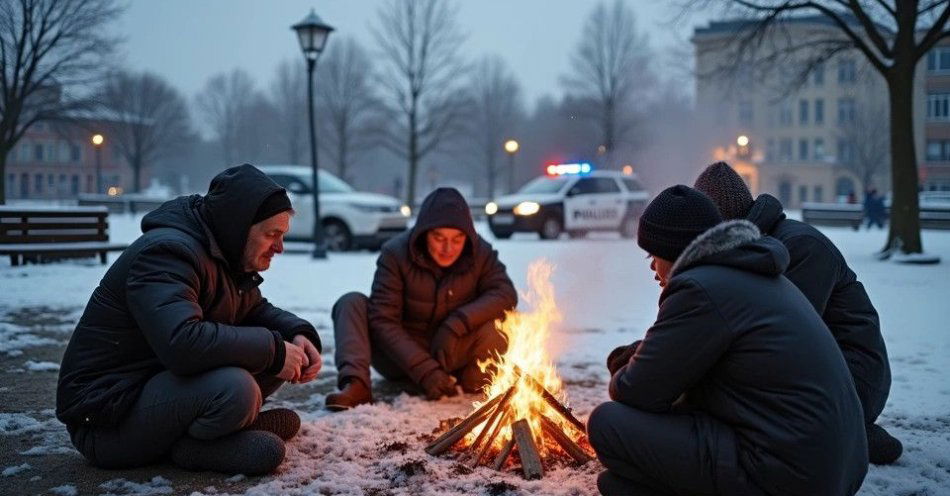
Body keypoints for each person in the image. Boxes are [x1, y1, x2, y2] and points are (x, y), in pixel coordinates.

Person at [589, 185, 868, 496]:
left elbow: (635, 391)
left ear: (673, 251)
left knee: (607, 423)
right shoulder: (754, 273)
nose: (653, 268)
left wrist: (628, 365)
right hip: (835, 471)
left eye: (653, 255)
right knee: (616, 485)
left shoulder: (699, 288)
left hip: (787, 474)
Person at [57, 164, 322, 476]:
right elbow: (181, 342)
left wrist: (297, 333)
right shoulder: (166, 253)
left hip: (154, 388)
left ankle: (211, 430)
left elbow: (254, 311)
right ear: (238, 226)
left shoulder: (225, 252)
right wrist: (274, 351)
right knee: (238, 387)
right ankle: (192, 447)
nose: (279, 248)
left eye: (282, 235)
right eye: (271, 235)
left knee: (280, 350)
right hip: (106, 418)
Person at [694, 162, 900, 464]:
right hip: (822, 373)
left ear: (724, 224)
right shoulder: (751, 249)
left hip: (854, 379)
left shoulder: (800, 246)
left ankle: (845, 433)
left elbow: (780, 339)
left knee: (731, 386)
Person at [326, 187, 516, 410]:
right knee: (351, 303)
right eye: (439, 238)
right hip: (398, 358)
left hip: (453, 354)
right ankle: (356, 385)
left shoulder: (479, 252)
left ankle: (471, 382)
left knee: (502, 322)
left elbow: (504, 293)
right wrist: (425, 370)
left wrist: (457, 323)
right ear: (423, 233)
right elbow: (383, 319)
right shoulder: (395, 254)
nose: (448, 248)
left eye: (457, 239)